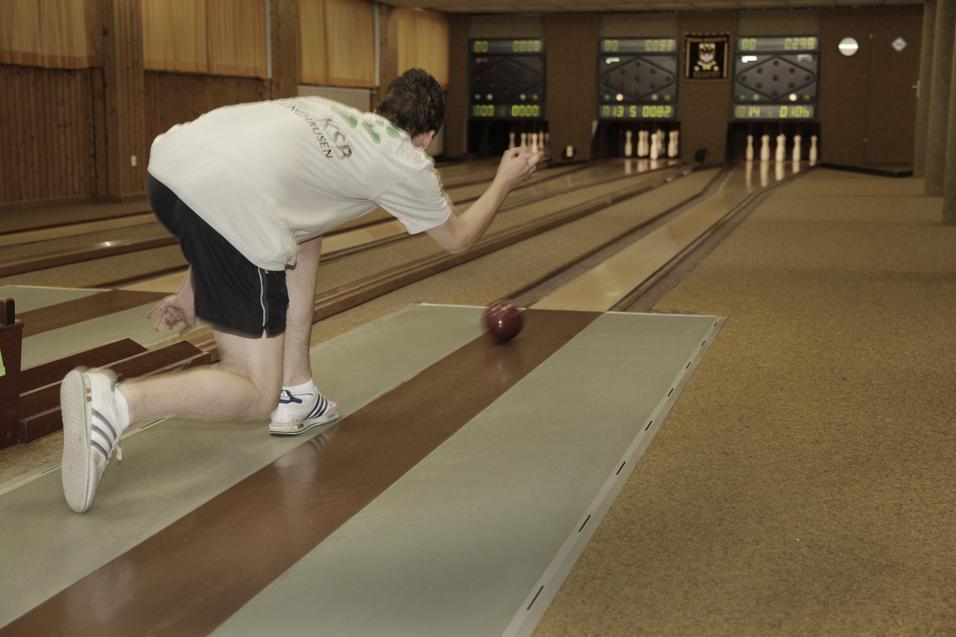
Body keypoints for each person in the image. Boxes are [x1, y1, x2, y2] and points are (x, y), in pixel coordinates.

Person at [60, 68, 542, 513]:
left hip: (168, 168)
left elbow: (239, 180)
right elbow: (458, 239)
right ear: (428, 137)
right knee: (253, 392)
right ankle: (116, 402)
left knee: (305, 237)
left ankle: (299, 392)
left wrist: (190, 292)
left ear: (382, 106)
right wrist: (504, 180)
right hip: (230, 202)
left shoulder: (331, 112)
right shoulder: (404, 160)